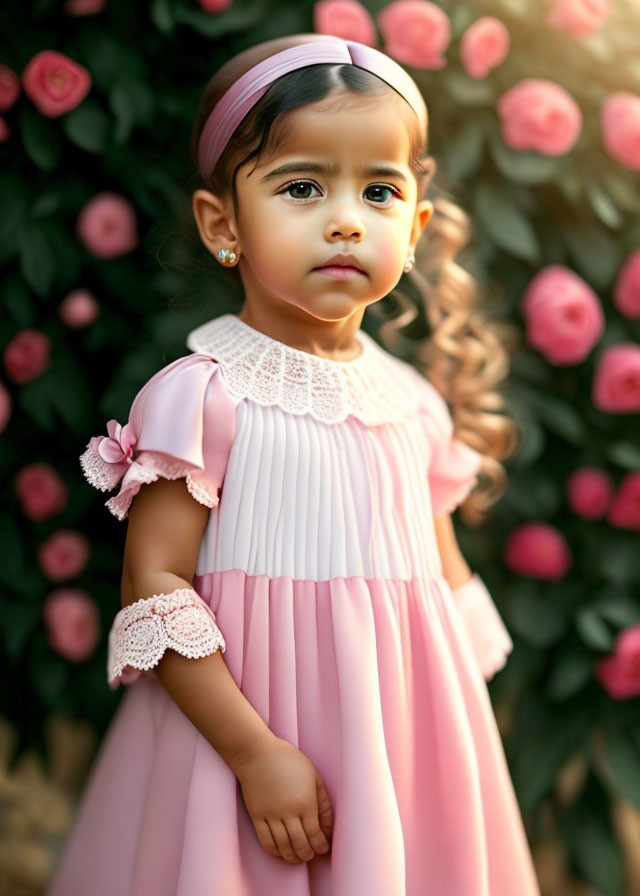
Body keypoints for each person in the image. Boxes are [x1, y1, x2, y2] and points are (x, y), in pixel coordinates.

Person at [46, 33, 541, 896]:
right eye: (302, 186)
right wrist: (254, 753)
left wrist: (450, 741)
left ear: (415, 227)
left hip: (398, 743)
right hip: (247, 736)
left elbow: (442, 576)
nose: (346, 217)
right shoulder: (205, 396)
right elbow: (155, 582)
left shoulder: (412, 403)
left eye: (378, 191)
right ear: (222, 223)